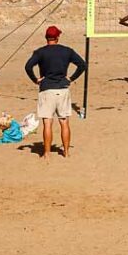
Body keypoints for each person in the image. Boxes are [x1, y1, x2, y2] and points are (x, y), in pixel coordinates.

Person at [24, 25, 87, 161]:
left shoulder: (40, 52)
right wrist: (71, 78)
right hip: (62, 88)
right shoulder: (67, 51)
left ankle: (46, 154)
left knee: (47, 123)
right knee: (64, 122)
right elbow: (82, 65)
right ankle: (66, 152)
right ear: (57, 37)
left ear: (46, 38)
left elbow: (28, 66)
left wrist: (35, 79)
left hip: (47, 89)